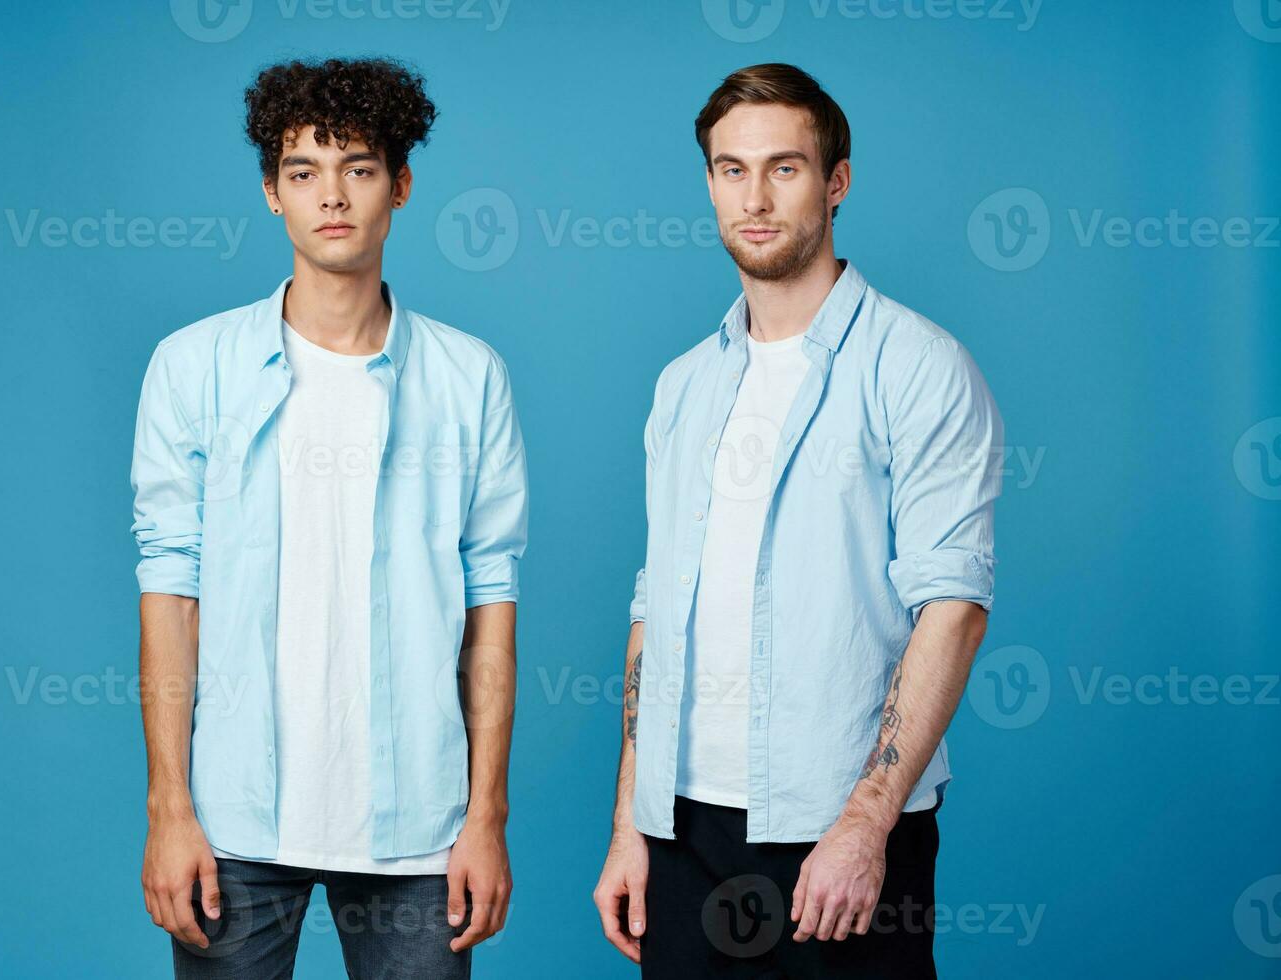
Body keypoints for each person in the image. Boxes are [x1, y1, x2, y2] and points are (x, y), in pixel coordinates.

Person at [593, 62, 1003, 979]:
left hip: (839, 830)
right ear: (709, 183)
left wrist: (867, 824)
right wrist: (631, 825)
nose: (756, 196)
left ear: (837, 181)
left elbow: (954, 608)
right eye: (731, 169)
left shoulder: (919, 368)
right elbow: (655, 613)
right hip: (682, 838)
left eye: (784, 167)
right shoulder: (683, 386)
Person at [130, 56, 527, 979]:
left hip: (420, 832)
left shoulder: (470, 379)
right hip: (233, 822)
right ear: (272, 192)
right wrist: (170, 810)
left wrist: (486, 818)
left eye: (359, 167)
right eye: (304, 171)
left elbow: (491, 610)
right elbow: (171, 591)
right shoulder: (192, 370)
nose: (332, 195)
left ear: (401, 185)